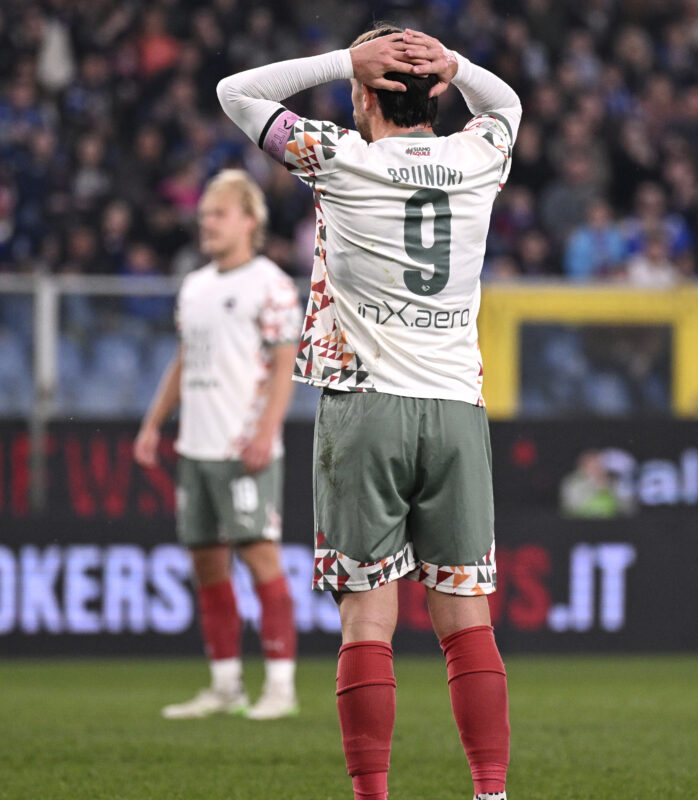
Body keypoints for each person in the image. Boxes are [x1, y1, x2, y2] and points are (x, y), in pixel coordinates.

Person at [217, 24, 520, 800]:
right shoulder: (480, 154)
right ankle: (491, 793)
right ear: (440, 95)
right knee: (468, 625)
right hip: (456, 410)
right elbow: (508, 102)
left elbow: (237, 93)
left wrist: (340, 59)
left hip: (365, 407)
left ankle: (372, 796)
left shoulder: (341, 158)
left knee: (368, 626)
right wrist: (456, 64)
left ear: (361, 95)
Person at [133, 169, 301, 721]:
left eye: (219, 213)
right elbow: (186, 359)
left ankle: (280, 686)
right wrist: (154, 423)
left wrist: (265, 431)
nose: (206, 222)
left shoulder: (270, 284)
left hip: (243, 447)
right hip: (198, 447)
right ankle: (225, 685)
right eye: (204, 213)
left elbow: (284, 365)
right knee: (207, 562)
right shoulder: (195, 286)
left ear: (250, 221)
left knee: (259, 554)